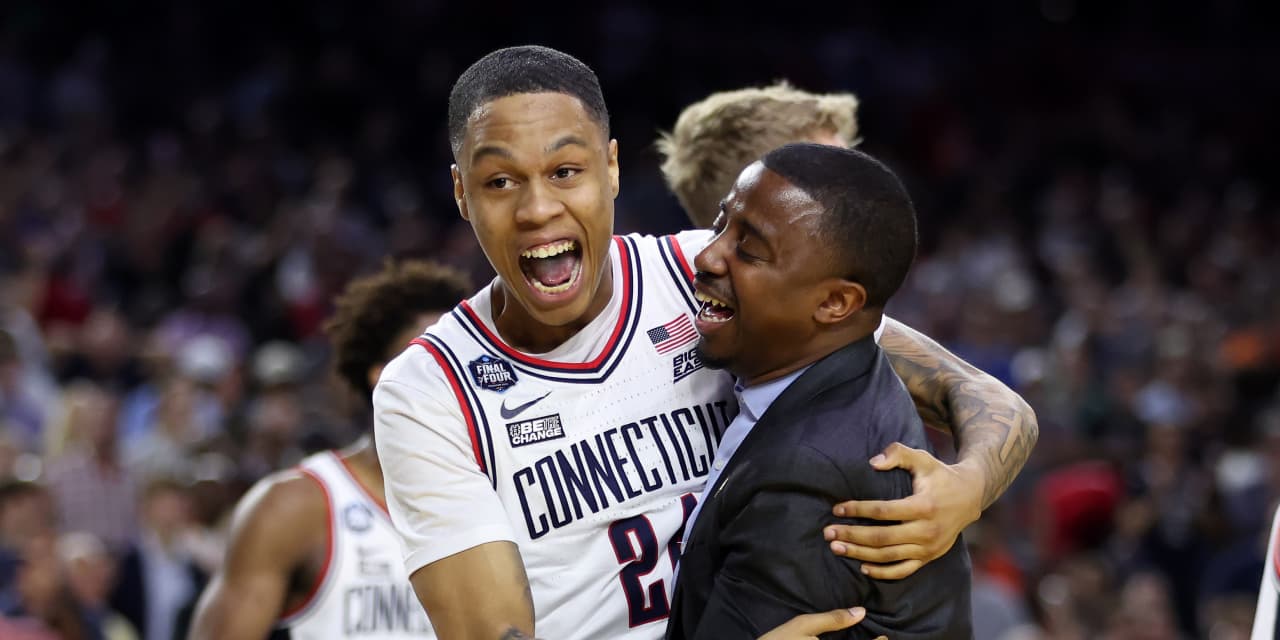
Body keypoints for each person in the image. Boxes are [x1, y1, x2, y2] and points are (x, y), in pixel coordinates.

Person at [374, 45, 1035, 640]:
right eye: (499, 181)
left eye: (566, 171)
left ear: (610, 168)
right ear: (461, 193)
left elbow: (975, 394)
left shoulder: (706, 277)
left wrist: (967, 487)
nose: (537, 208)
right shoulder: (428, 391)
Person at [659, 83, 1032, 574]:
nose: (858, 187)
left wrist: (966, 488)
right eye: (824, 162)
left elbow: (992, 400)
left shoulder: (825, 330)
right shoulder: (670, 289)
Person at [667, 143, 971, 639]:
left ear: (835, 302)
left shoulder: (806, 477)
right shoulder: (851, 378)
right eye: (722, 224)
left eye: (749, 250)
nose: (707, 256)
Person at [188, 259, 472, 639]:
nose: (453, 373)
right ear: (381, 376)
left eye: (462, 359)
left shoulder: (499, 499)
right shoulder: (296, 505)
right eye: (434, 359)